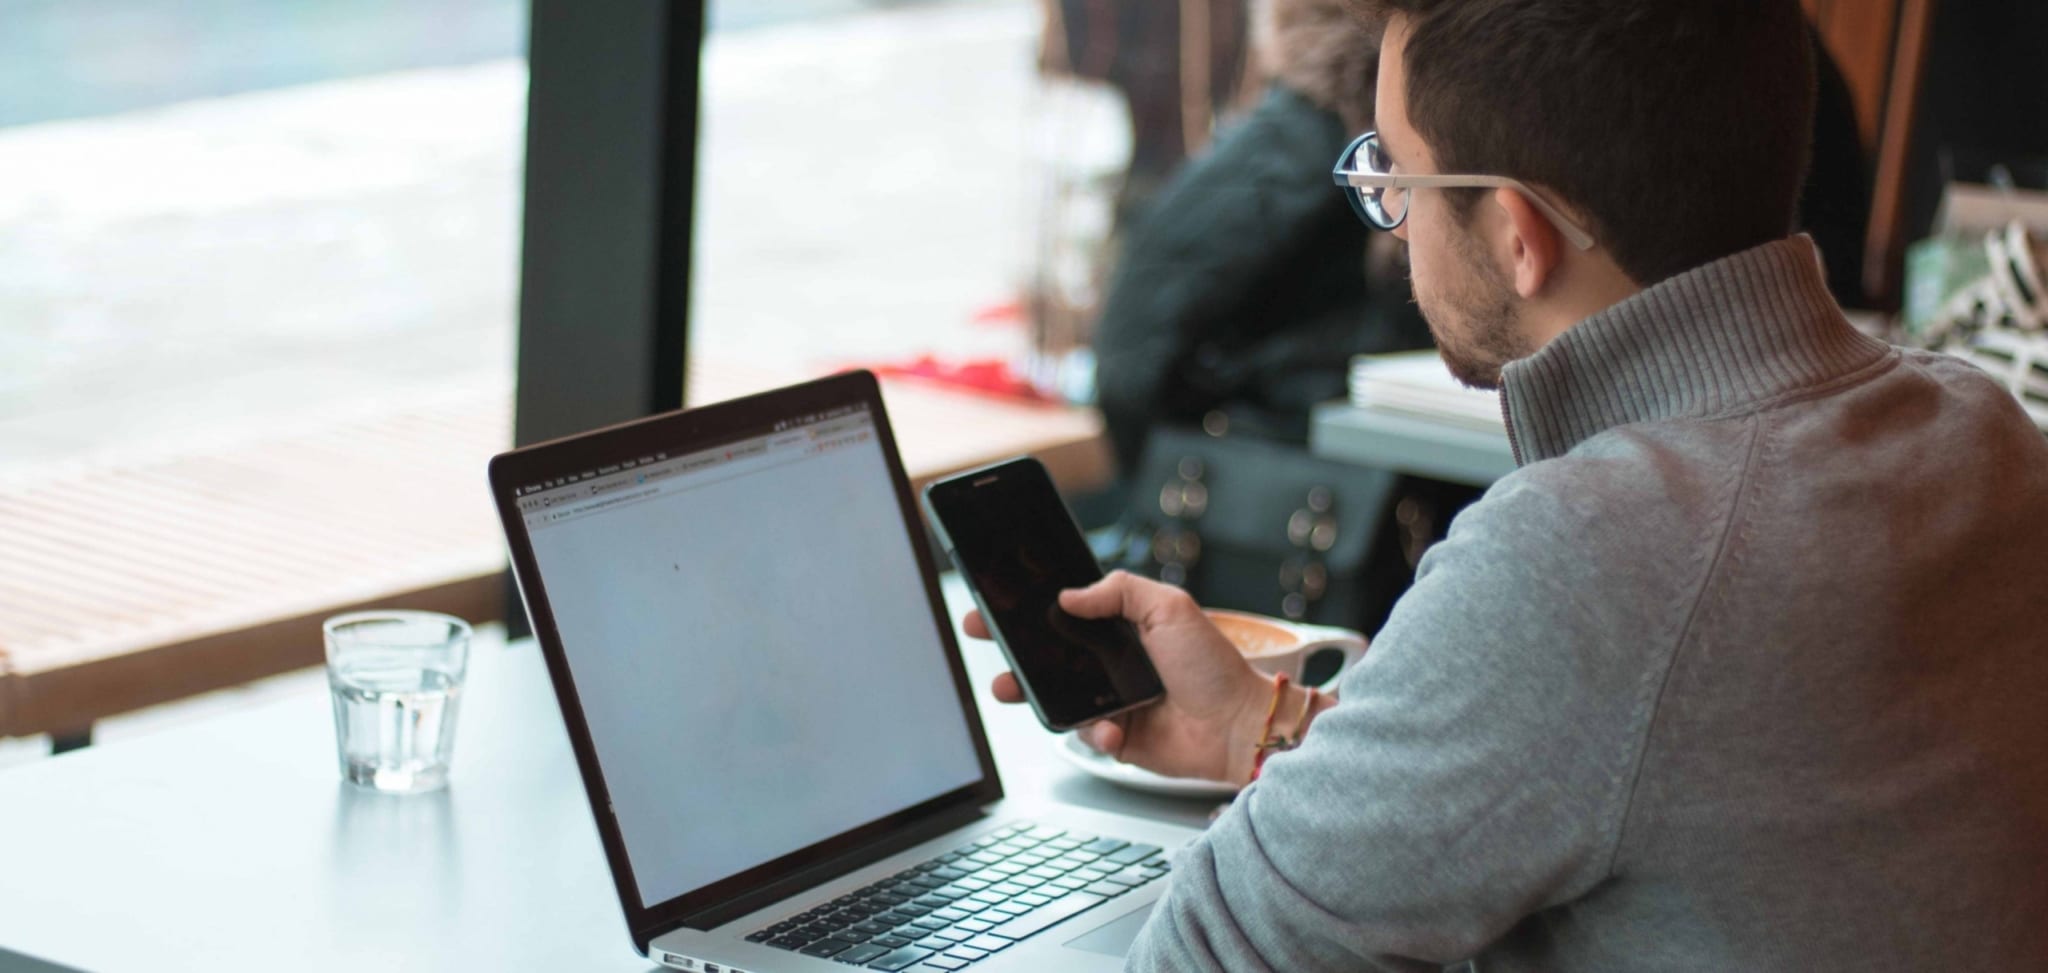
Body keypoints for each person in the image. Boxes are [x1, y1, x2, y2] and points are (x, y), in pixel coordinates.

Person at [967, 0, 2048, 968]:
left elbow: (1205, 951)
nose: (1389, 214)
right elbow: (1655, 771)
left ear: (1519, 238)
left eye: (1395, 173)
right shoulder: (1980, 430)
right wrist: (1267, 725)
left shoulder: (1591, 551)